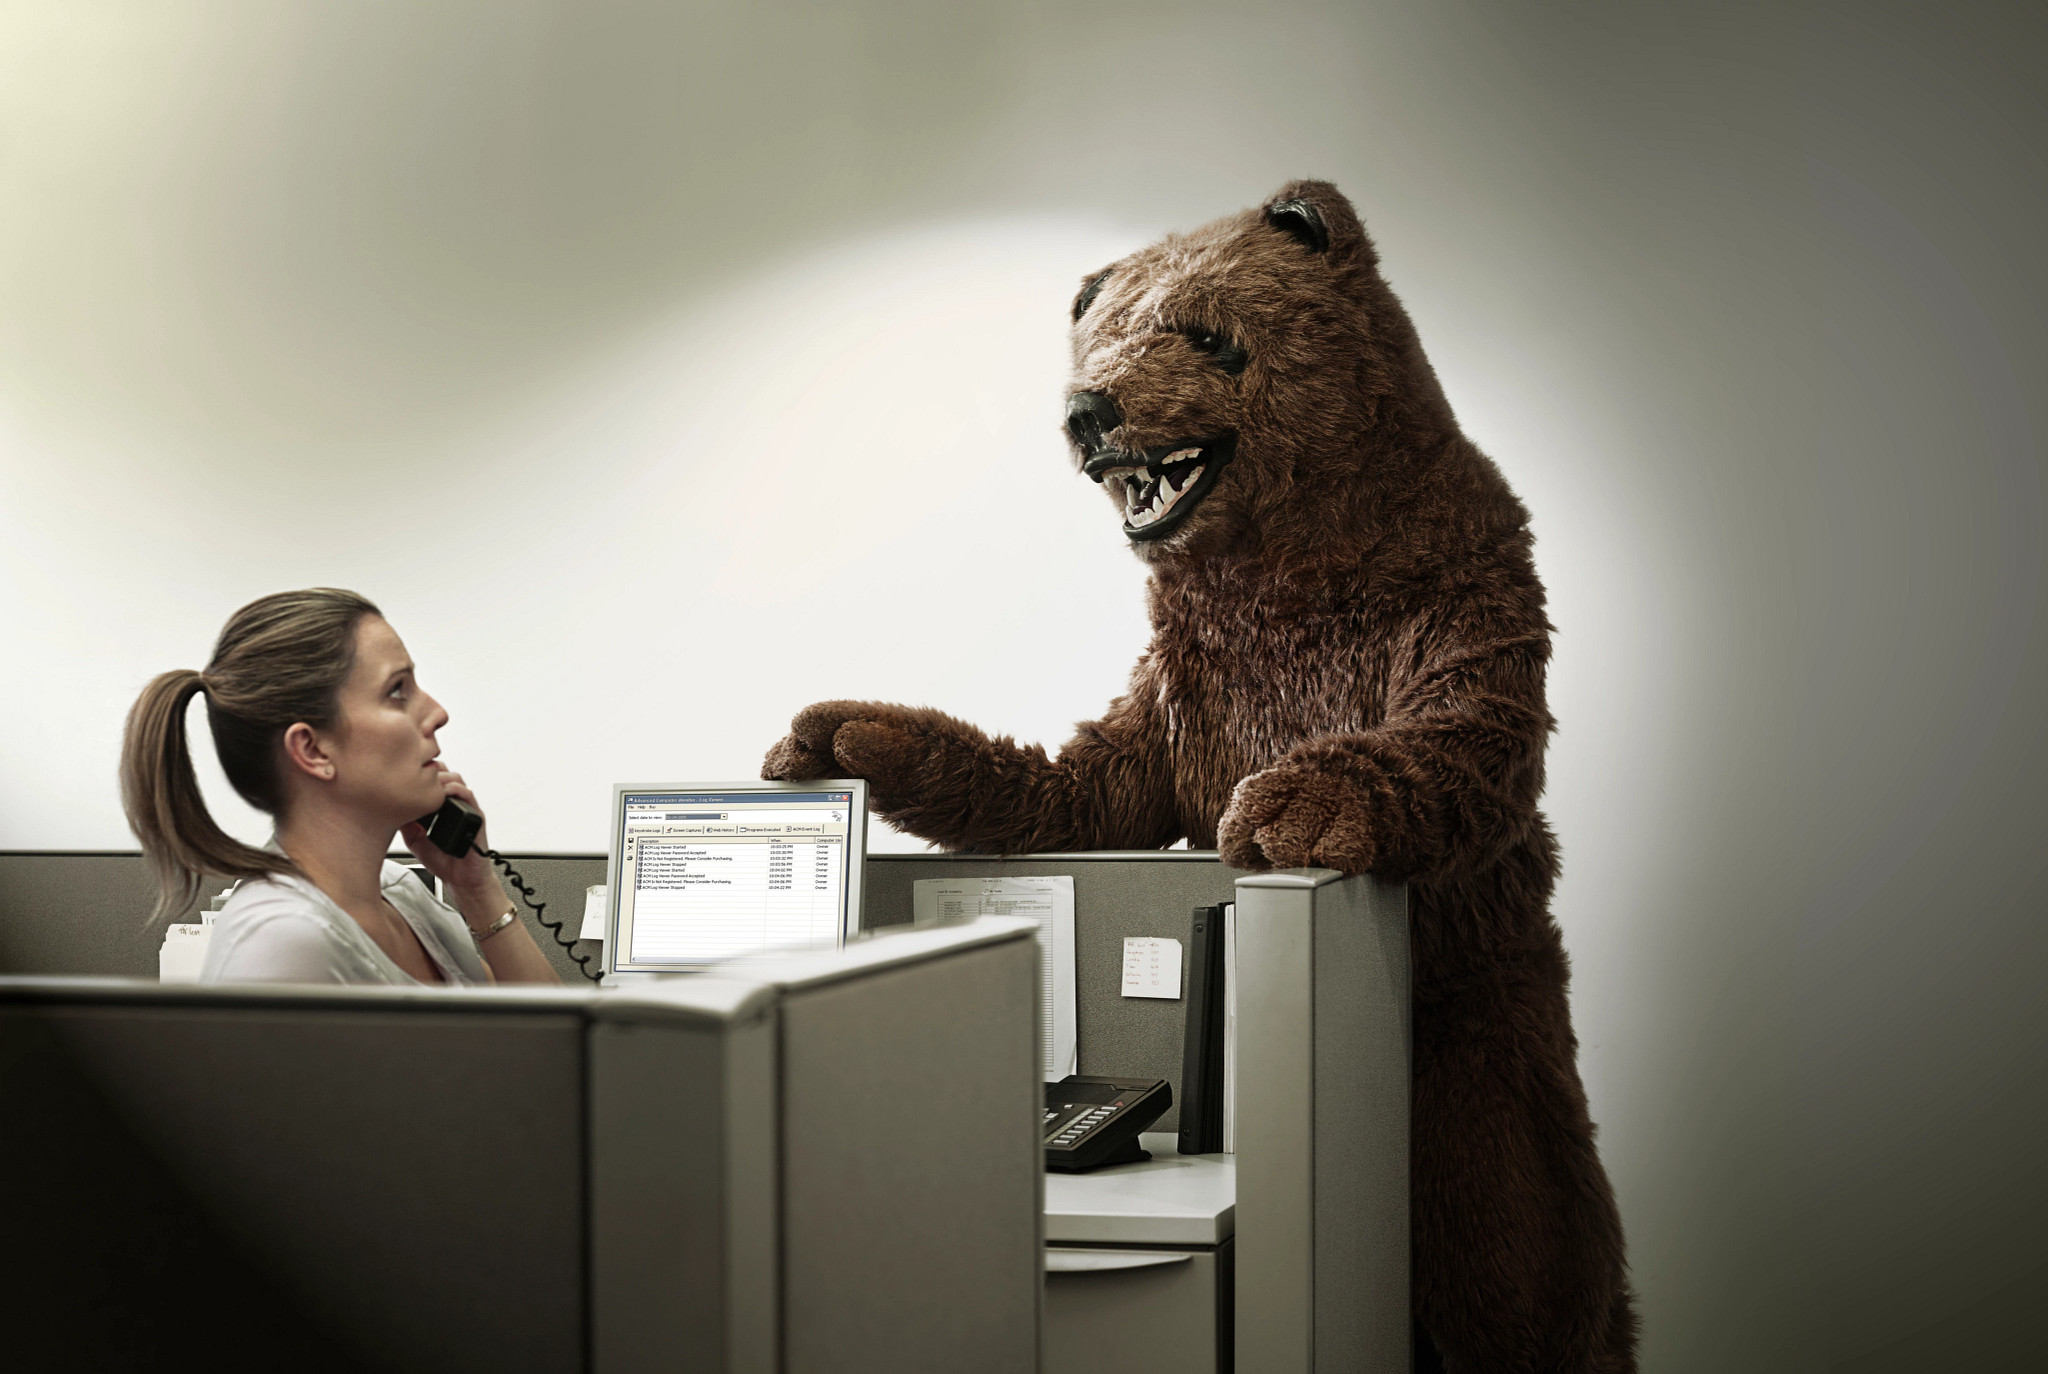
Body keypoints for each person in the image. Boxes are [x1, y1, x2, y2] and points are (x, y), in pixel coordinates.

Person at [120, 588, 560, 986]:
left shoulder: (398, 892)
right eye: (397, 691)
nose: (437, 712)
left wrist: (478, 889)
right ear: (313, 750)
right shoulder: (282, 942)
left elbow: (551, 1044)